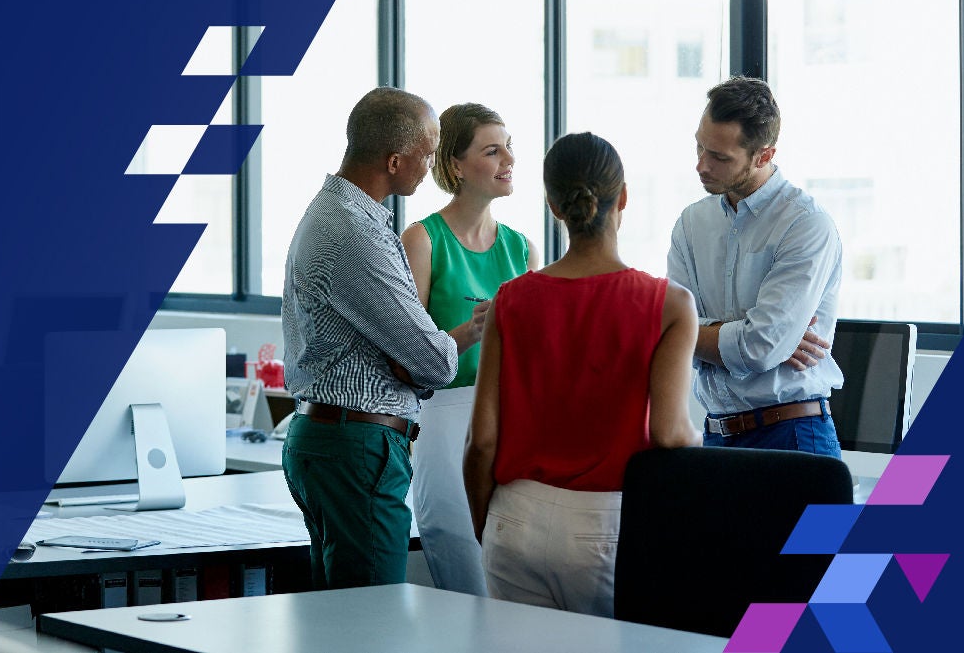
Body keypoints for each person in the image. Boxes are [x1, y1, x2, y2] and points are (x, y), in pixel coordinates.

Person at [464, 132, 700, 617]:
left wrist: (486, 523)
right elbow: (670, 433)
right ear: (625, 199)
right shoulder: (670, 305)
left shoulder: (510, 299)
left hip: (515, 517)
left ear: (553, 205)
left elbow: (482, 440)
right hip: (606, 524)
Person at [282, 86, 461, 589]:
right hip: (357, 446)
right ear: (393, 159)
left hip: (332, 439)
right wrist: (444, 345)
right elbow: (432, 361)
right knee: (372, 621)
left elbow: (413, 356)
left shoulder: (337, 212)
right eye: (427, 154)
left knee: (338, 621)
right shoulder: (354, 231)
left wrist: (416, 355)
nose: (430, 167)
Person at [401, 103, 539, 597]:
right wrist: (472, 330)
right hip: (444, 418)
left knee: (515, 572)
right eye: (492, 149)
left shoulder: (522, 248)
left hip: (514, 421)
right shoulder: (421, 239)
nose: (509, 160)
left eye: (509, 147)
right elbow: (408, 354)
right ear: (456, 165)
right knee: (463, 563)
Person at [666, 76, 844, 457]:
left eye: (719, 157)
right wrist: (759, 336)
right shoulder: (690, 223)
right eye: (700, 146)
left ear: (764, 155)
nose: (701, 165)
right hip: (717, 434)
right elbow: (667, 327)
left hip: (794, 435)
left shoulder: (806, 224)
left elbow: (759, 348)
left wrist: (689, 332)